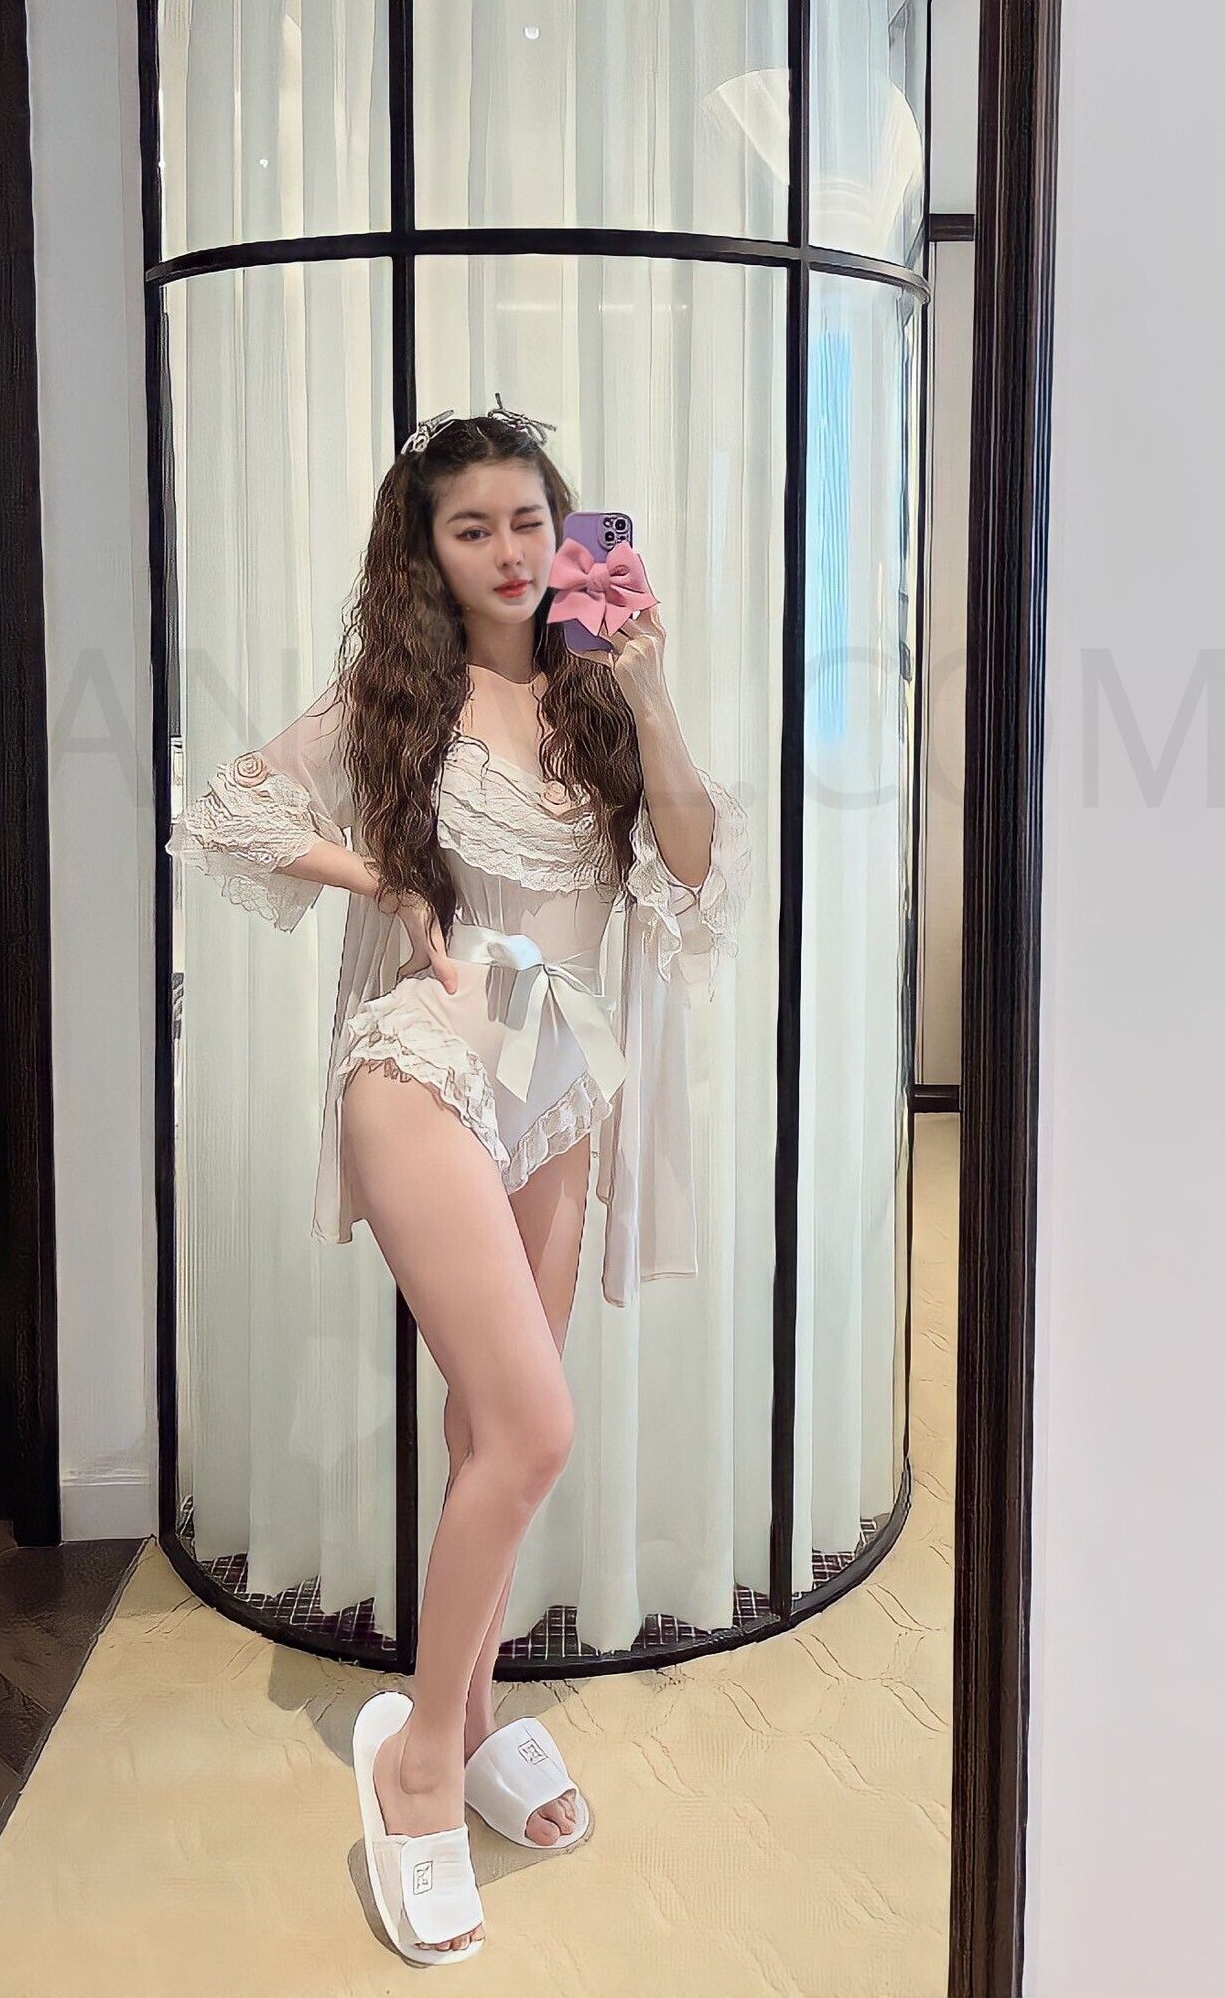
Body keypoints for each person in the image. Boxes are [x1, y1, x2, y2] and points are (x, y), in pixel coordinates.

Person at [166, 398, 751, 1961]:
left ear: (567, 533)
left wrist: (652, 688)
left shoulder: (601, 702)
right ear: (425, 551)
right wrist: (383, 875)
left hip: (558, 1087)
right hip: (422, 1062)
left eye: (527, 521)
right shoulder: (395, 697)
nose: (506, 550)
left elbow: (695, 873)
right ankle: (422, 1758)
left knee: (494, 1423)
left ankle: (478, 1715)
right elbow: (227, 812)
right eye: (469, 526)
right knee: (538, 1429)